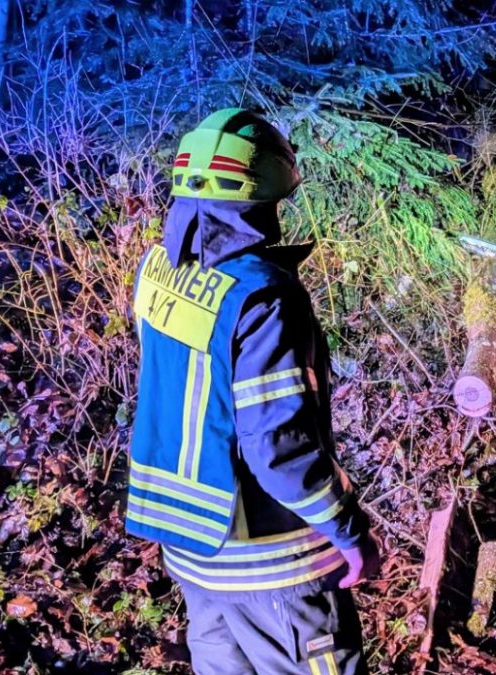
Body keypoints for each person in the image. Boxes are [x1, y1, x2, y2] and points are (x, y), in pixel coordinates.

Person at [125, 108, 379, 674]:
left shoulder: (157, 268)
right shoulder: (263, 298)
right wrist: (348, 531)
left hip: (192, 547)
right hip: (274, 562)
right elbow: (278, 447)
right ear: (265, 195)